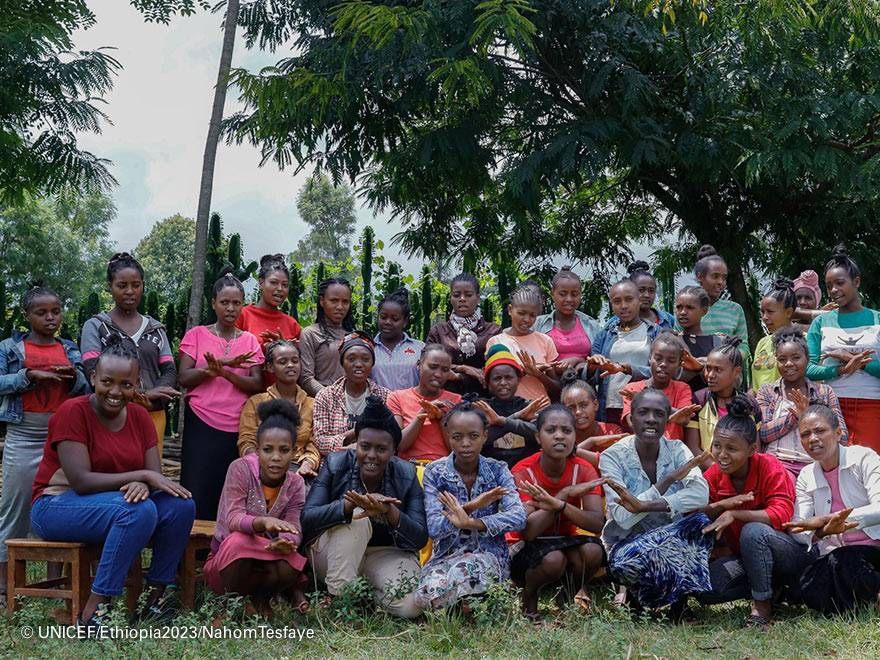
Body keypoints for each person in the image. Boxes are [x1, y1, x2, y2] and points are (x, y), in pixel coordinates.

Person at [30, 337, 195, 629]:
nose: (115, 392)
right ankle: (94, 612)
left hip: (116, 502)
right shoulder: (73, 412)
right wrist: (141, 477)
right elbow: (81, 481)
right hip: (56, 505)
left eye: (126, 384)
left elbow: (154, 476)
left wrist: (145, 482)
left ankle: (153, 602)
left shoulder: (141, 417)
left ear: (138, 383)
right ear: (93, 377)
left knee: (181, 506)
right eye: (107, 381)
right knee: (136, 511)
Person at [302, 395, 427, 619]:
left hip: (384, 554)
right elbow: (308, 518)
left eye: (381, 449)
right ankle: (343, 603)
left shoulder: (407, 474)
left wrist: (390, 512)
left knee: (412, 605)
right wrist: (348, 505)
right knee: (358, 517)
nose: (371, 455)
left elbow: (419, 538)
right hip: (331, 552)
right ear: (355, 444)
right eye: (365, 446)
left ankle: (364, 596)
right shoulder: (335, 463)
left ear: (394, 451)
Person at [0, 285, 88, 599]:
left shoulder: (69, 347)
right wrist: (28, 377)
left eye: (56, 311)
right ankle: (4, 587)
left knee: (61, 506)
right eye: (42, 313)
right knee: (15, 508)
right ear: (27, 316)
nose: (51, 318)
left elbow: (87, 384)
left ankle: (56, 584)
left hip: (62, 439)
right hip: (23, 437)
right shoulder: (10, 348)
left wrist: (72, 377)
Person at [599, 388, 713, 611]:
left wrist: (643, 505)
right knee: (626, 561)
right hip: (627, 545)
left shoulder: (678, 449)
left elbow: (701, 494)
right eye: (643, 412)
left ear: (667, 420)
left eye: (659, 414)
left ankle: (677, 601)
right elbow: (622, 518)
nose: (651, 419)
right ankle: (641, 595)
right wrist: (668, 480)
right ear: (632, 419)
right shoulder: (612, 457)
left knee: (700, 524)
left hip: (671, 539)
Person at [695, 396, 798, 629]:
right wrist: (722, 506)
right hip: (747, 558)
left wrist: (736, 514)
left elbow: (782, 514)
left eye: (731, 448)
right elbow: (700, 517)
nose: (721, 454)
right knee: (704, 592)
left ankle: (762, 606)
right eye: (717, 446)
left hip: (785, 554)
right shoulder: (713, 474)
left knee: (752, 531)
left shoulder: (769, 466)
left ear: (752, 449)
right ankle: (772, 589)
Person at [415, 400, 526, 610]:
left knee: (463, 571)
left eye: (473, 436)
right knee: (424, 595)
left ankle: (469, 604)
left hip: (489, 554)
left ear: (484, 436)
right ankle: (467, 603)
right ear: (448, 437)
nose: (465, 443)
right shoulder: (435, 473)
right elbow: (435, 528)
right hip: (446, 556)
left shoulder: (498, 470)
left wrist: (474, 523)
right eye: (457, 437)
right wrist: (470, 506)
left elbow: (518, 517)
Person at [205, 400, 308, 617]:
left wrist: (287, 542)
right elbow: (233, 519)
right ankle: (227, 607)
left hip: (266, 560)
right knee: (240, 541)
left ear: (294, 452)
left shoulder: (296, 483)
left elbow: (294, 525)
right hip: (228, 562)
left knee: (292, 560)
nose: (276, 458)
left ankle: (260, 599)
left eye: (284, 450)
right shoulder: (240, 469)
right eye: (268, 450)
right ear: (257, 450)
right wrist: (262, 523)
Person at [178, 272, 264, 520]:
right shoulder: (196, 334)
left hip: (237, 427)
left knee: (230, 492)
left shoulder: (250, 341)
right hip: (201, 423)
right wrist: (209, 371)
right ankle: (190, 553)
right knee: (196, 488)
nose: (230, 308)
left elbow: (256, 383)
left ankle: (221, 552)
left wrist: (225, 374)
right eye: (224, 302)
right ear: (213, 303)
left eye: (236, 303)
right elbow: (184, 377)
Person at [510, 405, 606, 618]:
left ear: (575, 437)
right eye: (551, 430)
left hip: (564, 539)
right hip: (525, 546)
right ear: (538, 437)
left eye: (567, 430)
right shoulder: (523, 471)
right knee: (554, 560)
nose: (559, 436)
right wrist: (563, 495)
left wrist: (556, 505)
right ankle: (529, 596)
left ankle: (569, 594)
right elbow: (528, 532)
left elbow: (597, 523)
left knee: (593, 552)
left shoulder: (584, 469)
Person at [783, 405, 880, 616]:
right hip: (833, 556)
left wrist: (829, 519)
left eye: (820, 431)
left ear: (838, 433)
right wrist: (823, 531)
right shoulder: (807, 475)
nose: (813, 439)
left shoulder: (864, 458)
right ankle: (867, 598)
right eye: (805, 434)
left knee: (844, 561)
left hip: (873, 552)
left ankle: (866, 599)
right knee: (804, 587)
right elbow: (798, 526)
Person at [80, 252, 178, 452]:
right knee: (112, 470)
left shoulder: (156, 328)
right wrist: (141, 393)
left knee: (149, 473)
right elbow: (92, 368)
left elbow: (169, 370)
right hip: (110, 414)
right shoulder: (96, 326)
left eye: (136, 285)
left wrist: (151, 398)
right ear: (110, 286)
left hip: (152, 415)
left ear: (143, 284)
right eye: (122, 286)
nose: (130, 291)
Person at [806, 244, 880, 452]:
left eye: (840, 283)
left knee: (871, 469)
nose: (834, 291)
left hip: (872, 407)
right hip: (831, 407)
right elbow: (808, 370)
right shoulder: (820, 323)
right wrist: (839, 370)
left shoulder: (877, 319)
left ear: (856, 282)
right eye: (829, 286)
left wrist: (851, 359)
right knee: (837, 470)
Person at [756, 327, 846, 481]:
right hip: (777, 464)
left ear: (807, 358)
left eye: (796, 358)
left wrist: (808, 417)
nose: (789, 364)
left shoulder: (824, 392)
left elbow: (842, 436)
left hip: (816, 464)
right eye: (782, 359)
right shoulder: (767, 392)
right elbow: (763, 434)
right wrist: (795, 417)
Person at [238, 340, 319, 479]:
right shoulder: (256, 402)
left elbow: (315, 443)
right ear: (270, 367)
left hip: (299, 469)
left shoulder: (313, 404)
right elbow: (247, 441)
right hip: (261, 469)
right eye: (282, 362)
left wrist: (308, 464)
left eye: (295, 361)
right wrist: (259, 465)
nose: (290, 365)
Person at [590, 278, 660, 424]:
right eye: (617, 301)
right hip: (611, 406)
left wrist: (628, 369)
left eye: (629, 299)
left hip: (644, 403)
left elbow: (660, 371)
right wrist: (593, 365)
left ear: (639, 300)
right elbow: (594, 377)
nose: (623, 306)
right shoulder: (604, 335)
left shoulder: (654, 333)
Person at [312, 332, 390, 456]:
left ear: (372, 364)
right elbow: (321, 442)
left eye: (365, 359)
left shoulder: (385, 396)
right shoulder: (326, 396)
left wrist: (360, 448)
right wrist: (359, 430)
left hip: (374, 464)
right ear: (342, 362)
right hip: (336, 466)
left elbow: (391, 439)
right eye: (351, 359)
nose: (358, 364)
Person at [685, 336, 761, 457]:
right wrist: (717, 471)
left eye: (718, 370)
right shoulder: (699, 400)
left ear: (736, 372)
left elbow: (755, 449)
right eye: (708, 369)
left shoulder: (749, 404)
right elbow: (693, 448)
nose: (710, 375)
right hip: (708, 471)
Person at [426, 273, 501, 396]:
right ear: (451, 298)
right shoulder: (438, 331)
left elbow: (498, 367)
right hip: (445, 399)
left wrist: (455, 374)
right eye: (456, 295)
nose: (462, 299)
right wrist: (464, 369)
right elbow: (428, 364)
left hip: (484, 400)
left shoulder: (493, 331)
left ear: (478, 298)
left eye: (468, 295)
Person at [474, 345, 547, 469]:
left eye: (508, 378)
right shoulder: (482, 408)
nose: (503, 383)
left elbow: (541, 435)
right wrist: (518, 418)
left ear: (518, 380)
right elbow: (477, 441)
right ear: (488, 383)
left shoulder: (529, 406)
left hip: (526, 471)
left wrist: (502, 422)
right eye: (497, 378)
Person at [387, 344, 461, 463]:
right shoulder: (397, 398)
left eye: (445, 370)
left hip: (443, 471)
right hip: (408, 470)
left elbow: (457, 450)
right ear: (419, 365)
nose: (438, 374)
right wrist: (422, 415)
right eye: (433, 367)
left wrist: (442, 418)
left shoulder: (455, 401)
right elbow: (399, 445)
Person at [486, 285, 560, 401]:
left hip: (540, 411)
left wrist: (539, 375)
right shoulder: (496, 342)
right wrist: (522, 371)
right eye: (521, 313)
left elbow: (557, 389)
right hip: (508, 412)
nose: (527, 319)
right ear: (510, 310)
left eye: (532, 315)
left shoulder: (545, 341)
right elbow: (491, 384)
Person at [620, 331, 698, 440]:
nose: (663, 364)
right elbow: (633, 424)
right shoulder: (632, 389)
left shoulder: (682, 388)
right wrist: (671, 415)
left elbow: (683, 419)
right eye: (658, 358)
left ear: (680, 364)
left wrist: (643, 402)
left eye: (671, 360)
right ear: (650, 358)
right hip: (642, 449)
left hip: (672, 452)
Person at [692, 245, 751, 385]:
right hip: (693, 380)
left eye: (724, 278)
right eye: (715, 276)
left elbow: (744, 348)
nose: (721, 282)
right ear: (700, 277)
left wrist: (726, 361)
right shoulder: (687, 307)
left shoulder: (735, 310)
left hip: (728, 384)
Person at [236, 254, 302, 369]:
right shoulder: (242, 315)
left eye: (285, 285)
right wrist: (268, 349)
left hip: (283, 387)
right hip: (247, 385)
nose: (280, 289)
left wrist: (286, 348)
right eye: (273, 282)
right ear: (261, 283)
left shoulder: (292, 324)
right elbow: (230, 351)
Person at [532, 267, 600, 370]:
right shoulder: (537, 324)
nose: (569, 299)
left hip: (584, 383)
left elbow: (599, 361)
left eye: (574, 294)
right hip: (545, 382)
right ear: (553, 294)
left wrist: (579, 361)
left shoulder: (591, 325)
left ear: (580, 295)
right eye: (562, 294)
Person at [298, 277, 355, 396]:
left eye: (345, 302)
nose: (340, 307)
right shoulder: (310, 334)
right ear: (322, 301)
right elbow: (306, 378)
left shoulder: (354, 336)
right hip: (321, 403)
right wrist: (330, 398)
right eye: (334, 300)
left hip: (353, 403)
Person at [560, 374, 624, 469]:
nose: (578, 412)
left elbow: (612, 464)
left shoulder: (612, 431)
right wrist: (591, 441)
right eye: (571, 408)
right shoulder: (562, 436)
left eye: (584, 405)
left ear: (595, 405)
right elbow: (558, 461)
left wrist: (575, 451)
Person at [372, 288, 424, 391]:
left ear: (405, 321)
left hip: (412, 406)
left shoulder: (420, 348)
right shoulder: (368, 348)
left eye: (395, 319)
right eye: (383, 317)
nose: (387, 322)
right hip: (377, 406)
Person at [674, 285, 724, 392]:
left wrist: (697, 365)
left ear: (704, 311)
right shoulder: (672, 342)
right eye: (679, 307)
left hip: (711, 402)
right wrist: (703, 365)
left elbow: (726, 375)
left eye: (690, 308)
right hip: (681, 403)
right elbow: (672, 375)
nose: (683, 312)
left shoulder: (717, 342)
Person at [752, 279, 796, 392]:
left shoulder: (802, 341)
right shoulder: (762, 343)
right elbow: (755, 386)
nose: (765, 317)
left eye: (770, 312)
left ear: (788, 313)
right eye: (762, 312)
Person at [619, 261, 676, 328]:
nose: (647, 295)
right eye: (641, 290)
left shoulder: (668, 320)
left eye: (651, 290)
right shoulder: (616, 323)